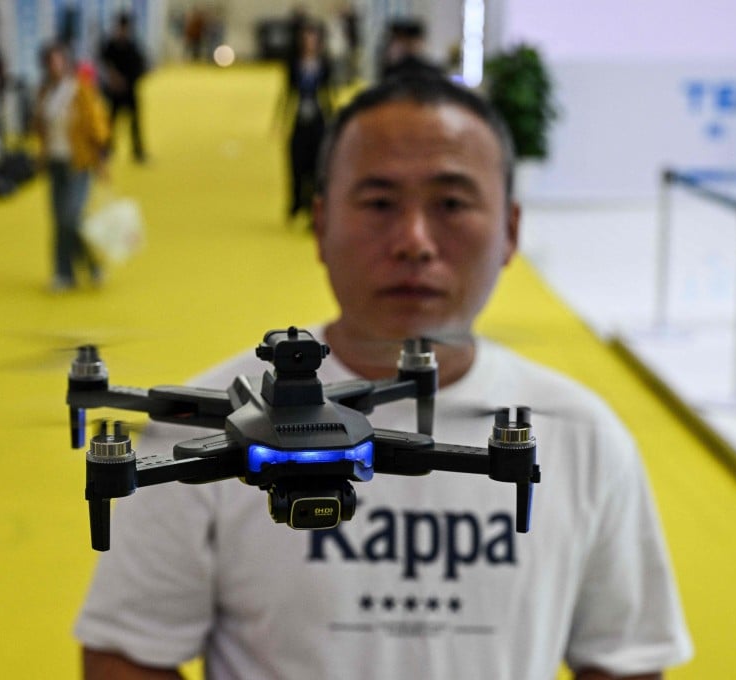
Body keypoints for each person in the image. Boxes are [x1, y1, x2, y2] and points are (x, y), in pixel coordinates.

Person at [75, 73, 693, 679]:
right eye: (378, 204)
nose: (414, 242)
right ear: (320, 224)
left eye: (451, 203)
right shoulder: (194, 425)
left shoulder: (584, 438)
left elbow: (624, 661)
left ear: (510, 231)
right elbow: (124, 653)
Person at [33, 42, 110, 291]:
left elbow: (96, 125)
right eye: (50, 62)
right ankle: (63, 273)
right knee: (59, 220)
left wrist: (101, 159)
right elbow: (41, 125)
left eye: (58, 61)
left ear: (66, 62)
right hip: (55, 161)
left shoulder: (80, 89)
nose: (54, 66)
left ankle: (92, 263)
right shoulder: (45, 92)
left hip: (79, 162)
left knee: (72, 217)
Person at [276, 21, 334, 221]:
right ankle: (296, 202)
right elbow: (287, 93)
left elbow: (328, 93)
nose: (309, 42)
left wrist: (332, 118)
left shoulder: (324, 64)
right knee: (296, 161)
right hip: (299, 117)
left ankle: (314, 205)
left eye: (313, 39)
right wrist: (281, 119)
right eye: (306, 39)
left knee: (317, 163)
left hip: (318, 118)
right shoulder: (294, 64)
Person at [100, 13, 149, 163]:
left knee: (135, 122)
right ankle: (107, 148)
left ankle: (137, 150)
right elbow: (103, 64)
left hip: (129, 91)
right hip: (114, 92)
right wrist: (112, 80)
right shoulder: (110, 45)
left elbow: (140, 68)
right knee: (110, 122)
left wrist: (126, 81)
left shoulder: (133, 46)